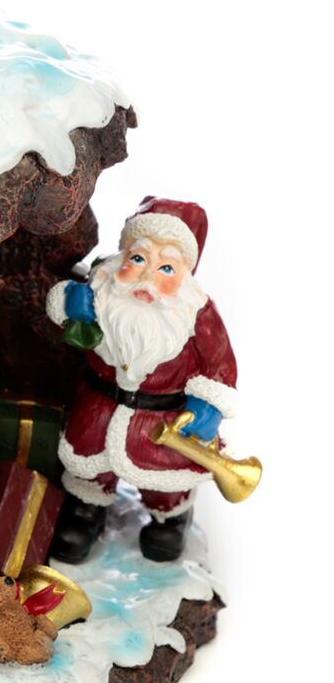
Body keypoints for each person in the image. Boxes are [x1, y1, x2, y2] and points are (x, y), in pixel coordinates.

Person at [46, 197, 237, 562]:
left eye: (166, 268)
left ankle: (170, 516)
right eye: (138, 259)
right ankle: (87, 509)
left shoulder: (196, 312)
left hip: (163, 419)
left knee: (166, 476)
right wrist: (70, 303)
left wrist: (209, 406)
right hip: (99, 406)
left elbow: (220, 365)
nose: (148, 276)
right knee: (89, 466)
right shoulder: (100, 292)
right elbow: (62, 317)